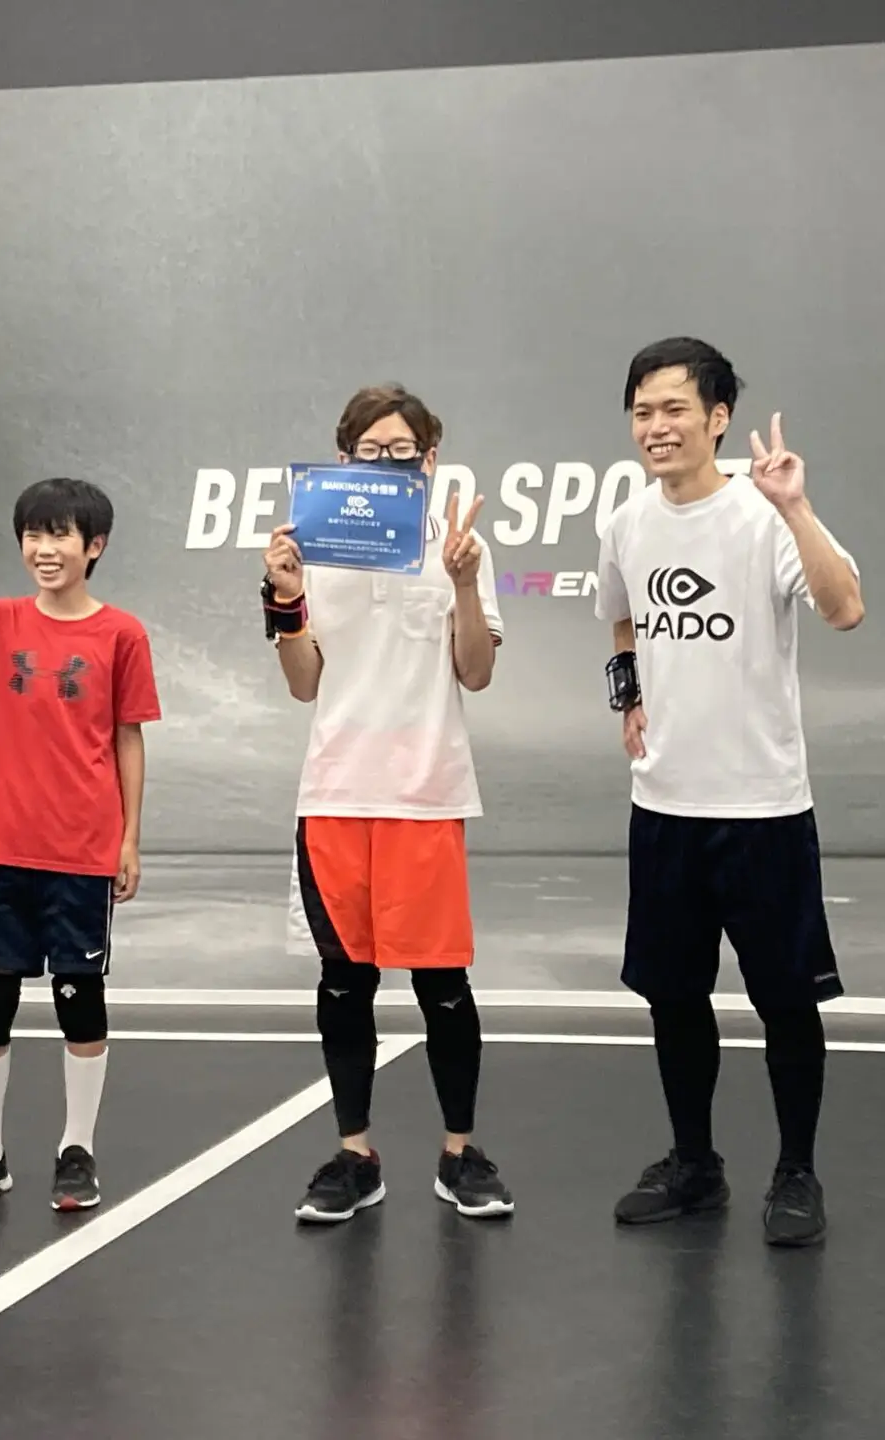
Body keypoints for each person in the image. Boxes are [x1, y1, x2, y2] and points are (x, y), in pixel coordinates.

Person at [594, 337, 864, 1247]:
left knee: (785, 1003)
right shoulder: (627, 523)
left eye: (675, 409)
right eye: (642, 411)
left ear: (718, 419)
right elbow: (622, 615)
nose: (656, 427)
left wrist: (797, 508)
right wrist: (628, 696)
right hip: (665, 807)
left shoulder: (764, 516)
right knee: (673, 999)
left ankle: (796, 1171)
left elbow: (844, 608)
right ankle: (694, 1164)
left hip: (762, 810)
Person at [262, 383, 515, 1224]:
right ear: (343, 461)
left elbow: (476, 670)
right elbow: (304, 683)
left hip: (427, 793)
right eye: (369, 453)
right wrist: (283, 596)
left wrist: (465, 584)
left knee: (443, 984)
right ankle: (354, 1155)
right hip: (336, 793)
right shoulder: (314, 545)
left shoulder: (459, 546)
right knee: (346, 982)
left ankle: (460, 1153)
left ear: (430, 460)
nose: (386, 464)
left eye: (402, 452)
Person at [0, 477, 162, 1213]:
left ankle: (77, 1149)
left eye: (60, 535)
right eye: (33, 535)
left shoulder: (122, 634)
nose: (44, 549)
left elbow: (128, 739)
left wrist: (130, 839)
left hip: (82, 853)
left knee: (80, 1001)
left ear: (94, 546)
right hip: (3, 850)